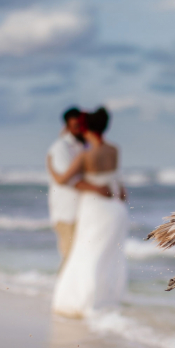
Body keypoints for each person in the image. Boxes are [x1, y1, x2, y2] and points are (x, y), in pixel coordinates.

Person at [48, 107, 130, 317]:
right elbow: (117, 180)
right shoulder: (114, 150)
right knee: (108, 254)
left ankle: (84, 300)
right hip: (115, 209)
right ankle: (106, 299)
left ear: (87, 129)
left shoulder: (85, 155)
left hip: (93, 208)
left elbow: (63, 180)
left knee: (85, 253)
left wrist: (50, 165)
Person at [47, 107, 112, 272]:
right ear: (67, 126)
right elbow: (67, 180)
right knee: (69, 256)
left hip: (84, 211)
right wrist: (97, 189)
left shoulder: (85, 146)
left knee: (81, 257)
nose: (79, 129)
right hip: (66, 212)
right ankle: (61, 294)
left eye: (81, 125)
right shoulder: (61, 146)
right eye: (75, 126)